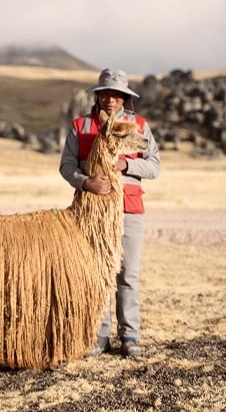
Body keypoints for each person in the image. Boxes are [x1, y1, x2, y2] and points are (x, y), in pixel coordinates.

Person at [59, 68, 160, 357]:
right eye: (105, 94)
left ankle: (130, 337)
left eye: (117, 95)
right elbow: (67, 166)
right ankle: (98, 336)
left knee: (128, 273)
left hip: (129, 210)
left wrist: (127, 166)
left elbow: (154, 166)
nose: (110, 100)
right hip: (92, 214)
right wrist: (85, 182)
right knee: (96, 272)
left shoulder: (138, 125)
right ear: (98, 96)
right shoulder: (81, 126)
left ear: (125, 98)